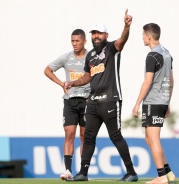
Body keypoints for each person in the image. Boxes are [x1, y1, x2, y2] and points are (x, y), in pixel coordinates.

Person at [64, 9, 138, 182]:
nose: (96, 36)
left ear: (106, 35)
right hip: (93, 102)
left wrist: (126, 26)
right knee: (88, 138)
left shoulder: (112, 48)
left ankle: (131, 172)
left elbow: (122, 40)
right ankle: (83, 173)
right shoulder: (90, 55)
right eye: (94, 33)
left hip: (110, 100)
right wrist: (72, 83)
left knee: (115, 136)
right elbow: (87, 76)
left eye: (99, 33)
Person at [132, 23, 176, 184]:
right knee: (148, 139)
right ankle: (169, 173)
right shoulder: (167, 54)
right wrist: (168, 102)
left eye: (143, 35)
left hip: (152, 101)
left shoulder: (152, 56)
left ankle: (161, 176)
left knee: (153, 139)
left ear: (149, 37)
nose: (142, 38)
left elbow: (147, 82)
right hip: (162, 101)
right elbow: (171, 82)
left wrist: (137, 103)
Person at [44, 29, 90, 180]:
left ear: (84, 41)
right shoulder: (66, 57)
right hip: (70, 101)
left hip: (87, 101)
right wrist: (60, 84)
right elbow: (48, 70)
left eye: (77, 41)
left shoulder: (91, 57)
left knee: (84, 136)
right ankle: (68, 170)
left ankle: (84, 172)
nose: (75, 44)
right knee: (69, 133)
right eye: (72, 41)